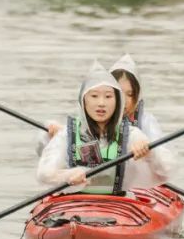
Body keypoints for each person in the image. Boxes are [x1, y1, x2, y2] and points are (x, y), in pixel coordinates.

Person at [37, 61, 175, 194]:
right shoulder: (67, 134)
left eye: (108, 97)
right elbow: (44, 174)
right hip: (74, 206)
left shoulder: (133, 135)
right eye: (94, 96)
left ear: (117, 102)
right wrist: (68, 175)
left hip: (119, 207)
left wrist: (150, 152)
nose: (101, 103)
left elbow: (166, 171)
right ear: (83, 101)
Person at [109, 53, 165, 141]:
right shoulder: (98, 121)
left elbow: (163, 152)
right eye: (118, 94)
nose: (124, 101)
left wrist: (146, 149)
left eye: (130, 94)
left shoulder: (146, 122)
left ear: (138, 96)